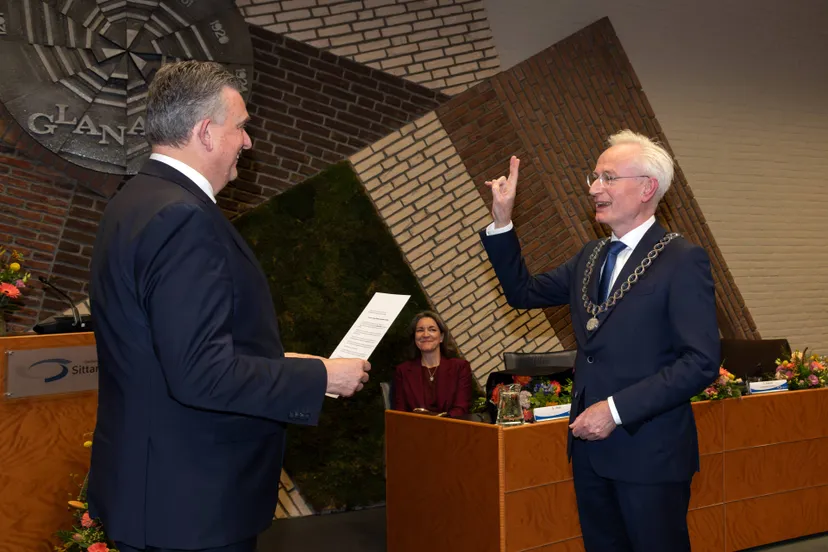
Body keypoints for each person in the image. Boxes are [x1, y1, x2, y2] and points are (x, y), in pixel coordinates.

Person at [88, 61, 370, 552]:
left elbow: (168, 349)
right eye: (240, 126)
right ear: (205, 132)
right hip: (192, 507)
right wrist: (322, 379)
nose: (248, 141)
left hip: (158, 493)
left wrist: (283, 363)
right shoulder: (182, 219)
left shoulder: (135, 200)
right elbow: (199, 373)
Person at [479, 130, 719, 552]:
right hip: (590, 452)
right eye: (594, 177)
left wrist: (613, 410)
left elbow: (699, 361)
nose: (593, 188)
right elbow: (523, 293)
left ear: (647, 188)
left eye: (608, 177)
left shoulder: (682, 259)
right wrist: (502, 223)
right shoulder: (590, 256)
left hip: (649, 452)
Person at [393, 311, 472, 418]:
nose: (425, 335)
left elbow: (461, 408)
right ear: (415, 337)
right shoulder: (402, 371)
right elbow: (400, 413)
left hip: (450, 429)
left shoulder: (460, 367)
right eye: (420, 330)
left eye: (432, 330)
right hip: (416, 431)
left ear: (441, 337)